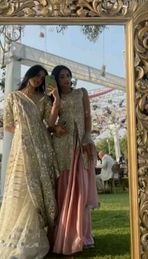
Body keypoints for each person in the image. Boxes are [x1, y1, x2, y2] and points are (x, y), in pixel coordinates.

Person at [0, 64, 60, 259]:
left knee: (40, 185)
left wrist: (56, 100)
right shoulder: (13, 97)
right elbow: (8, 125)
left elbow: (50, 124)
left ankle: (38, 233)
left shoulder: (44, 99)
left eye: (42, 77)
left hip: (42, 146)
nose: (38, 79)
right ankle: (19, 237)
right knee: (22, 186)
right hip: (22, 146)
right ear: (29, 75)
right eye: (36, 75)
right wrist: (23, 134)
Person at [50, 65, 99, 255]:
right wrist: (55, 99)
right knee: (65, 189)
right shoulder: (55, 98)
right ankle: (66, 234)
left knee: (81, 189)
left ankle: (82, 234)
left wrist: (87, 137)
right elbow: (51, 124)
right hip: (62, 145)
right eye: (62, 76)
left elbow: (88, 116)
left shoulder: (81, 92)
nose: (66, 79)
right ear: (56, 79)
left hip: (81, 143)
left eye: (68, 75)